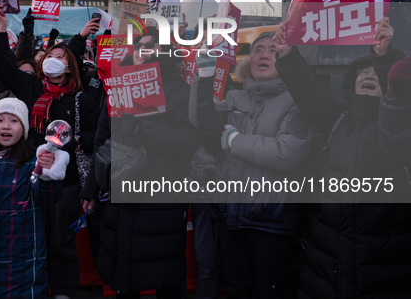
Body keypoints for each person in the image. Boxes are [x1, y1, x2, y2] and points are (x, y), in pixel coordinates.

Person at [273, 18, 411, 298]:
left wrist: (383, 57)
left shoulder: (399, 122)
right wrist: (288, 54)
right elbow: (308, 92)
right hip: (328, 257)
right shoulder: (336, 117)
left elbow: (400, 104)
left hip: (383, 260)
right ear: (351, 86)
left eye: (376, 74)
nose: (369, 76)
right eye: (363, 73)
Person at [0, 5, 100, 298]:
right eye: (51, 55)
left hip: (68, 181)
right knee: (31, 235)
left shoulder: (82, 100)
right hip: (29, 175)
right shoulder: (31, 88)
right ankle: (33, 285)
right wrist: (0, 28)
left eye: (62, 58)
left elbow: (94, 136)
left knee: (61, 239)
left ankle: (63, 289)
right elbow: (2, 63)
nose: (54, 60)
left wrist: (75, 141)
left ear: (70, 65)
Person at [190, 33, 313, 299]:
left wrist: (235, 140)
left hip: (270, 222)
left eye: (273, 50)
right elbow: (204, 124)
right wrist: (204, 75)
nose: (265, 54)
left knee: (268, 292)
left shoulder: (297, 101)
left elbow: (286, 152)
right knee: (236, 290)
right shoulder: (234, 98)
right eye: (258, 49)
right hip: (230, 217)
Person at [96, 32, 201, 297]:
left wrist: (143, 129)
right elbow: (101, 141)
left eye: (151, 45)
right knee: (125, 272)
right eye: (139, 45)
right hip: (122, 193)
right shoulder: (119, 89)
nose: (144, 49)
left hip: (161, 198)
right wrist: (91, 187)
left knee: (164, 273)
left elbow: (188, 140)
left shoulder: (180, 91)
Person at [0, 98, 66, 298]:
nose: (6, 126)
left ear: (24, 129)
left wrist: (48, 174)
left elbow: (48, 197)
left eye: (14, 121)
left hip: (21, 269)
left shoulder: (33, 165)